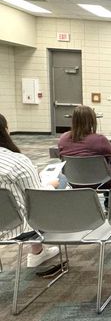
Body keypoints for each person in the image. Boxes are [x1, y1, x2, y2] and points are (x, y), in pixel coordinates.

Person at [0, 114, 60, 268]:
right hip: (18, 227)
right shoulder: (17, 161)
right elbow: (37, 197)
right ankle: (37, 252)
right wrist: (52, 184)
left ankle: (39, 252)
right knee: (59, 185)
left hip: (5, 222)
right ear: (5, 130)